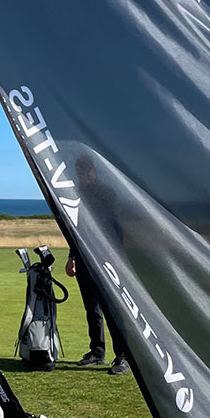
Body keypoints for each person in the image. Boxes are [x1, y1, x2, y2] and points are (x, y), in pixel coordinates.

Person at [65, 155, 128, 375]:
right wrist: (72, 257)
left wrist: (115, 258)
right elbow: (77, 229)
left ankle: (122, 356)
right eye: (79, 169)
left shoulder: (107, 193)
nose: (82, 173)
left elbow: (115, 228)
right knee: (92, 308)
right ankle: (97, 352)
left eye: (85, 169)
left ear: (93, 170)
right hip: (83, 258)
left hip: (107, 258)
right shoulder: (77, 195)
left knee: (112, 310)